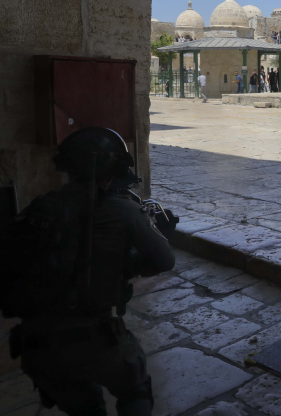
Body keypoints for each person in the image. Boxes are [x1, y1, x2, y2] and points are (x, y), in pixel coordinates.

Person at [5, 127, 175, 416]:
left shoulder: (41, 208)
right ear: (112, 171)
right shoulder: (122, 209)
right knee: (134, 386)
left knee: (85, 407)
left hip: (35, 345)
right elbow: (164, 260)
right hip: (93, 339)